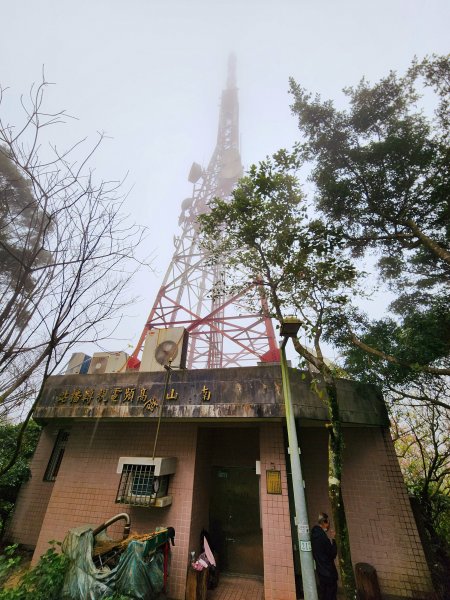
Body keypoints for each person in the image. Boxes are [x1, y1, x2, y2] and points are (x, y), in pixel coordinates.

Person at [311, 512, 338, 600]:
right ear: (324, 523)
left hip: (320, 570)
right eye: (328, 523)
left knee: (324, 593)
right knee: (331, 595)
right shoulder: (323, 537)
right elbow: (332, 553)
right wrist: (333, 539)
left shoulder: (314, 535)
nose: (329, 525)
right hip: (329, 572)